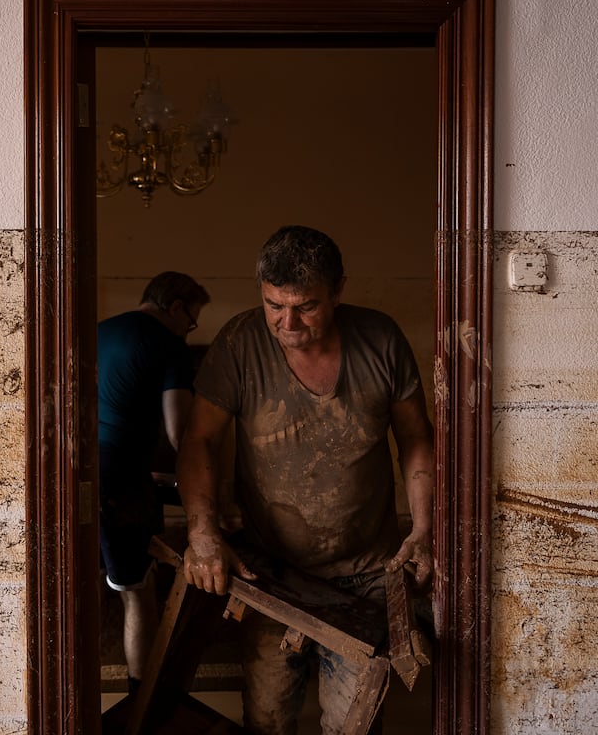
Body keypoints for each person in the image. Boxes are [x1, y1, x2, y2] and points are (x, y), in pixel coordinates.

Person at [176, 225, 435, 735]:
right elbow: (199, 439)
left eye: (306, 307)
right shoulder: (240, 342)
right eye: (274, 305)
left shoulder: (380, 339)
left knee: (354, 725)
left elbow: (415, 438)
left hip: (367, 576)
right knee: (268, 720)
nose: (287, 322)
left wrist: (424, 529)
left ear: (338, 290)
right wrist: (201, 531)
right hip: (272, 577)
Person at [97, 270, 211, 695]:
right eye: (192, 320)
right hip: (121, 481)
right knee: (137, 592)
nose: (189, 329)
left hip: (75, 475)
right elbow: (182, 435)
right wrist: (198, 488)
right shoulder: (170, 346)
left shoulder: (99, 329)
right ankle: (139, 701)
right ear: (176, 307)